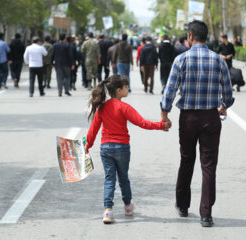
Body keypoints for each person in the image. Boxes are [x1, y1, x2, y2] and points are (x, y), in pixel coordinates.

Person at [161, 20, 234, 227]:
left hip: (188, 118)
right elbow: (228, 94)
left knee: (187, 159)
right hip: (211, 118)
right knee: (208, 164)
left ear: (190, 37)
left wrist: (164, 113)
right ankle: (206, 214)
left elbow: (170, 89)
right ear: (207, 37)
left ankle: (183, 205)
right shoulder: (218, 61)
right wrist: (223, 105)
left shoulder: (181, 59)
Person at [85, 75, 171, 224]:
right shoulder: (124, 107)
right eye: (126, 87)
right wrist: (162, 125)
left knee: (109, 179)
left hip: (105, 148)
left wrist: (88, 145)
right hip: (122, 148)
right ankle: (128, 207)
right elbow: (142, 123)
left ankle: (108, 211)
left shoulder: (102, 107)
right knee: (123, 178)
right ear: (119, 91)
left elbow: (93, 129)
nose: (127, 89)